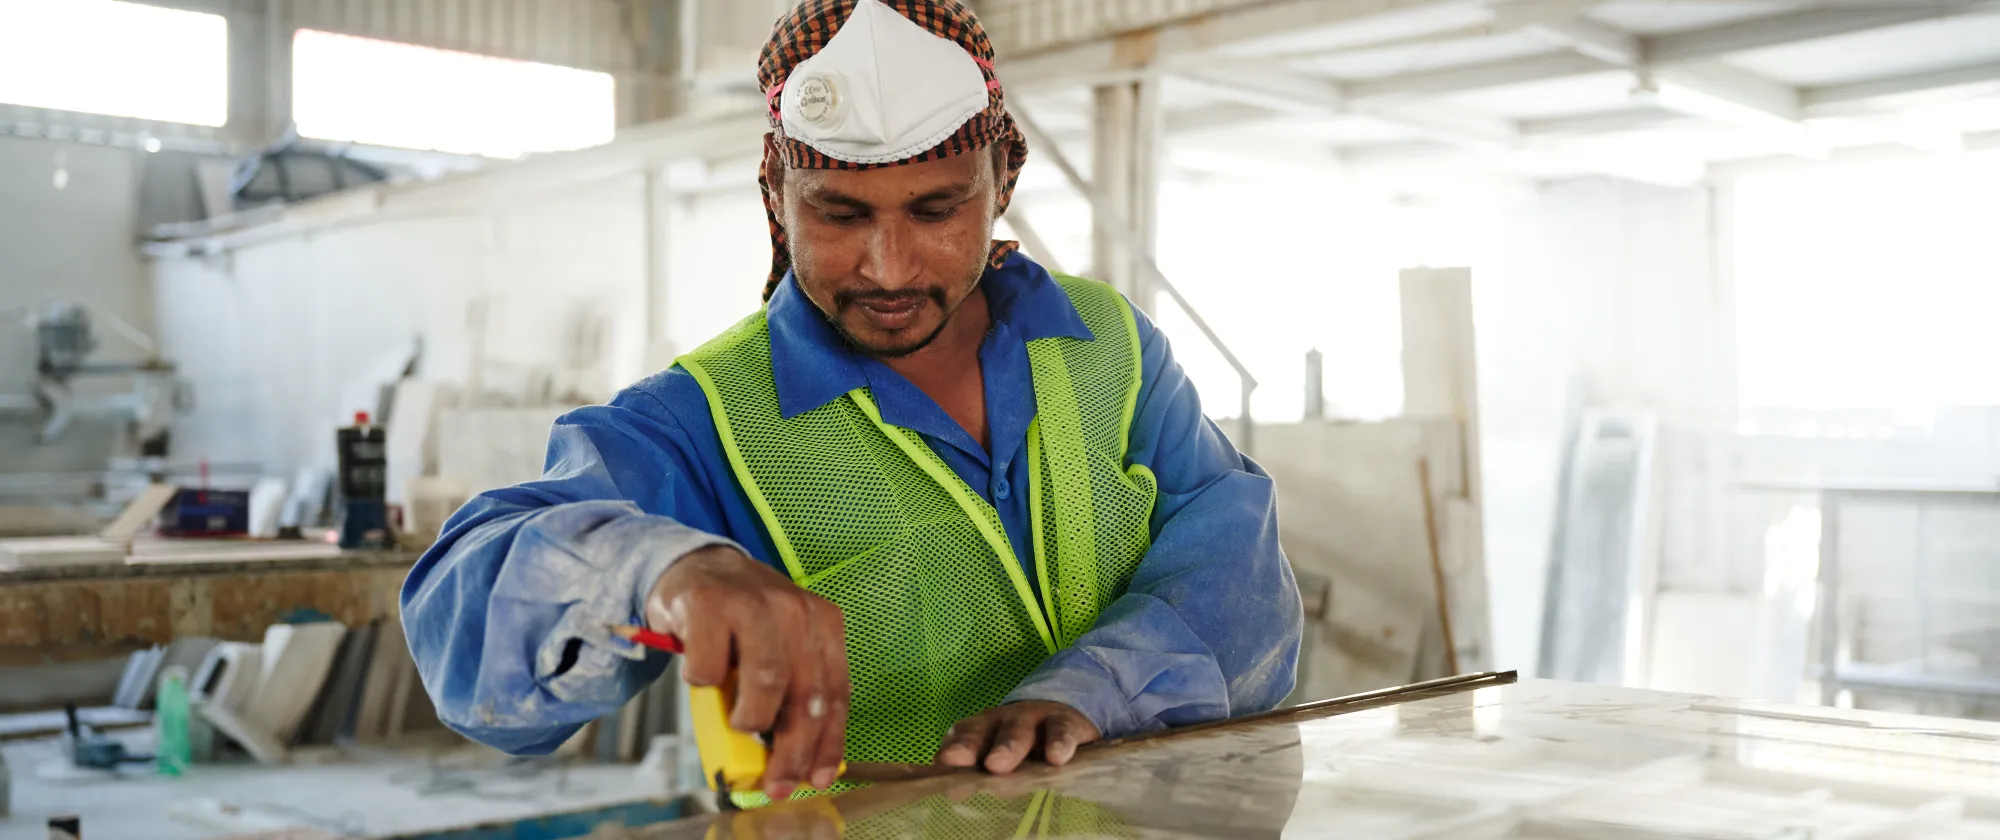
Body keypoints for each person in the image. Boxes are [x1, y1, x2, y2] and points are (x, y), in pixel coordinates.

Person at [400, 0, 1302, 806]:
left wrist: (1094, 690)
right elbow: (460, 629)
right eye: (840, 215)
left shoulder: (1109, 343)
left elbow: (1237, 563)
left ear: (1002, 181)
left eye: (936, 210)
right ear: (777, 191)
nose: (889, 267)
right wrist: (654, 572)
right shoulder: (703, 421)